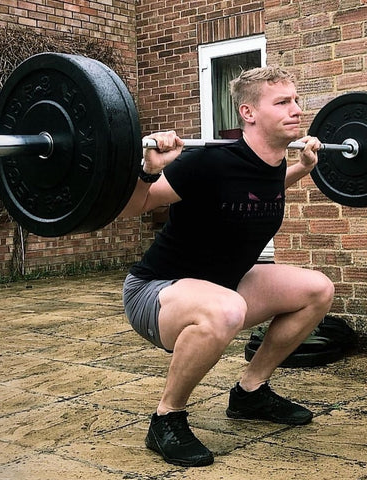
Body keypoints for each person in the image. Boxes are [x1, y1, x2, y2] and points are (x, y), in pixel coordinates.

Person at [121, 66, 334, 467]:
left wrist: (302, 169)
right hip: (155, 291)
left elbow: (254, 191)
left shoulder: (269, 163)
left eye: (296, 100)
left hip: (223, 284)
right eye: (283, 102)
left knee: (317, 289)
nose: (297, 110)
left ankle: (250, 392)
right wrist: (148, 170)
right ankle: (167, 417)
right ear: (249, 113)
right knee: (226, 309)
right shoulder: (208, 163)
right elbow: (137, 206)